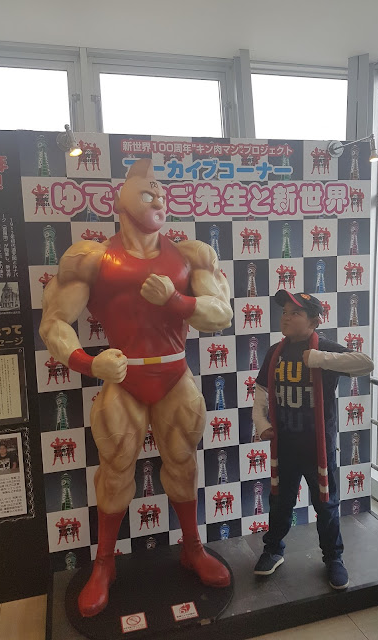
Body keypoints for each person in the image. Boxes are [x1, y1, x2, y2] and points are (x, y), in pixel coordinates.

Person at [39, 158, 233, 618]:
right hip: (123, 377)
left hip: (174, 374)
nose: (159, 199)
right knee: (115, 470)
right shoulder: (92, 258)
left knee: (182, 463)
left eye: (162, 193)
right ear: (120, 202)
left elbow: (221, 314)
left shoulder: (189, 255)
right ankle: (104, 564)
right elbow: (54, 323)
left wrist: (176, 300)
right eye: (148, 192)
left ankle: (192, 548)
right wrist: (89, 362)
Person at [252, 291, 373, 590]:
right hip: (285, 446)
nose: (286, 317)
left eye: (295, 312)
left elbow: (365, 363)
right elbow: (262, 391)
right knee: (279, 502)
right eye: (285, 312)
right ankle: (273, 550)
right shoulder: (275, 351)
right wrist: (261, 423)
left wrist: (321, 359)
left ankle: (334, 558)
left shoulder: (324, 349)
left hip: (319, 447)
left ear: (314, 320)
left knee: (326, 505)